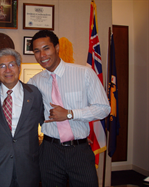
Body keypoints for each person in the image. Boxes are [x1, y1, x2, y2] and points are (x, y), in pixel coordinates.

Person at [28, 30, 111, 187]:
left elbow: (103, 108)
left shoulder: (84, 73)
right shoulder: (35, 82)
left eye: (46, 48)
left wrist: (70, 114)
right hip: (49, 150)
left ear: (57, 47)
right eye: (37, 51)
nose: (42, 55)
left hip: (79, 150)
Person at [0, 48, 44, 187]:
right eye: (2, 66)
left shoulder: (34, 94)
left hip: (28, 168)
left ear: (19, 67)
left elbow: (46, 122)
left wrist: (69, 132)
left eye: (11, 64)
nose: (7, 70)